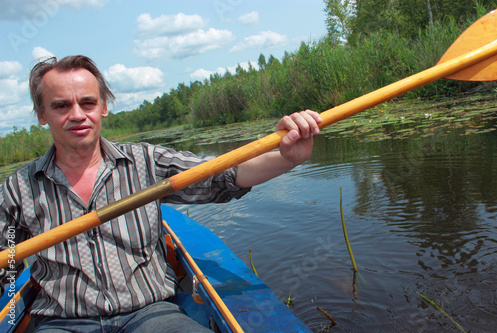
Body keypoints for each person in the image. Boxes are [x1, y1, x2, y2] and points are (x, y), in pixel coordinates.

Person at [0, 55, 322, 332]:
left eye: (87, 102)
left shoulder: (144, 162)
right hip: (63, 323)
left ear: (104, 106)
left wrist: (286, 157)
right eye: (61, 106)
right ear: (42, 115)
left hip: (150, 315)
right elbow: (7, 262)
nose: (77, 115)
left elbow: (221, 175)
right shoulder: (18, 190)